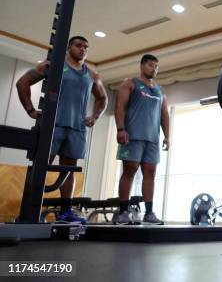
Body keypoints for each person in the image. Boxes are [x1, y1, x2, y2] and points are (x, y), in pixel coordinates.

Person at [16, 36, 108, 223]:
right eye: (78, 45)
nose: (82, 49)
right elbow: (22, 83)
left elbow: (102, 98)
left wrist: (95, 117)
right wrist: (31, 110)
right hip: (53, 125)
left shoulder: (91, 74)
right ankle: (30, 211)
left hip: (76, 128)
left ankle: (66, 211)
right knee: (41, 166)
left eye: (86, 47)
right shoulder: (53, 65)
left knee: (68, 169)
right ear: (68, 48)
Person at [114, 54, 170, 225]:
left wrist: (167, 136)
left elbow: (164, 115)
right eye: (151, 65)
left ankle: (149, 213)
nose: (154, 69)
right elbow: (119, 106)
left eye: (156, 66)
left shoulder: (160, 91)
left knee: (151, 173)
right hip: (133, 135)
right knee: (130, 170)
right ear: (142, 66)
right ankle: (123, 211)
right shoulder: (130, 84)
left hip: (152, 139)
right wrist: (120, 129)